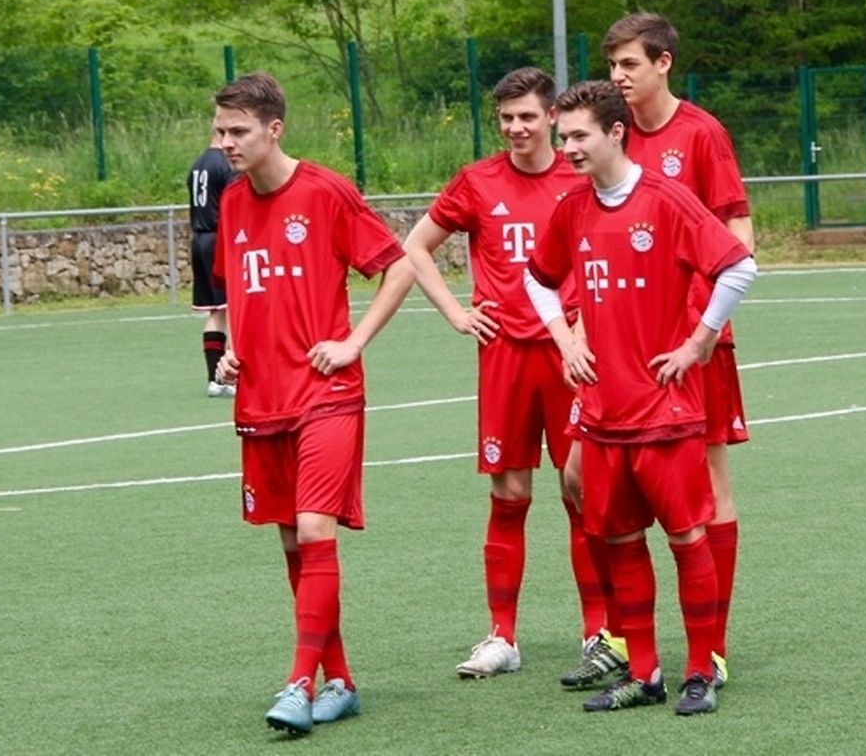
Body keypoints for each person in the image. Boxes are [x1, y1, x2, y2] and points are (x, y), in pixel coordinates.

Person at [526, 80, 756, 715]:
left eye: (579, 136)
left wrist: (699, 342)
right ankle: (646, 674)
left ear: (615, 132)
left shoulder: (666, 199)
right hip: (603, 415)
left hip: (664, 412)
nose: (568, 148)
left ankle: (701, 671)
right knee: (622, 544)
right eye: (563, 137)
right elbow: (538, 279)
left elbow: (738, 265)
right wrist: (564, 340)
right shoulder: (572, 209)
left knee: (687, 539)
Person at [403, 66, 625, 683]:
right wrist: (457, 313)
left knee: (580, 491)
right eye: (506, 118)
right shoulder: (477, 181)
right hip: (504, 355)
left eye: (527, 116)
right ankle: (502, 636)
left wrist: (587, 322)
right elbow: (415, 246)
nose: (516, 128)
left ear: (552, 116)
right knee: (508, 494)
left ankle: (598, 630)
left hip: (572, 355)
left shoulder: (580, 175)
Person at [210, 72, 415, 735]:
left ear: (274, 129)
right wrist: (234, 350)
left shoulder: (325, 192)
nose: (225, 143)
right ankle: (340, 681)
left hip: (327, 395)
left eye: (238, 131)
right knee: (292, 541)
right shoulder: (232, 202)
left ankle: (299, 682)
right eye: (219, 131)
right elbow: (245, 293)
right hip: (261, 398)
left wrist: (354, 342)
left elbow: (400, 266)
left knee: (315, 531)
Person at [601, 11, 755, 688]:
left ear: (663, 63)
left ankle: (710, 647)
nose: (618, 76)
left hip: (692, 345)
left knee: (708, 483)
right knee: (586, 481)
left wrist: (704, 329)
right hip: (622, 345)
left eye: (629, 64)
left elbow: (738, 234)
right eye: (612, 66)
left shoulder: (700, 133)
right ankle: (619, 636)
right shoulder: (611, 133)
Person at [187, 129, 236, 397]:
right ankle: (231, 376)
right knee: (235, 308)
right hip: (220, 240)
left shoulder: (197, 165)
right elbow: (234, 203)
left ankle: (215, 380)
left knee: (216, 313)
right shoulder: (226, 164)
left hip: (199, 239)